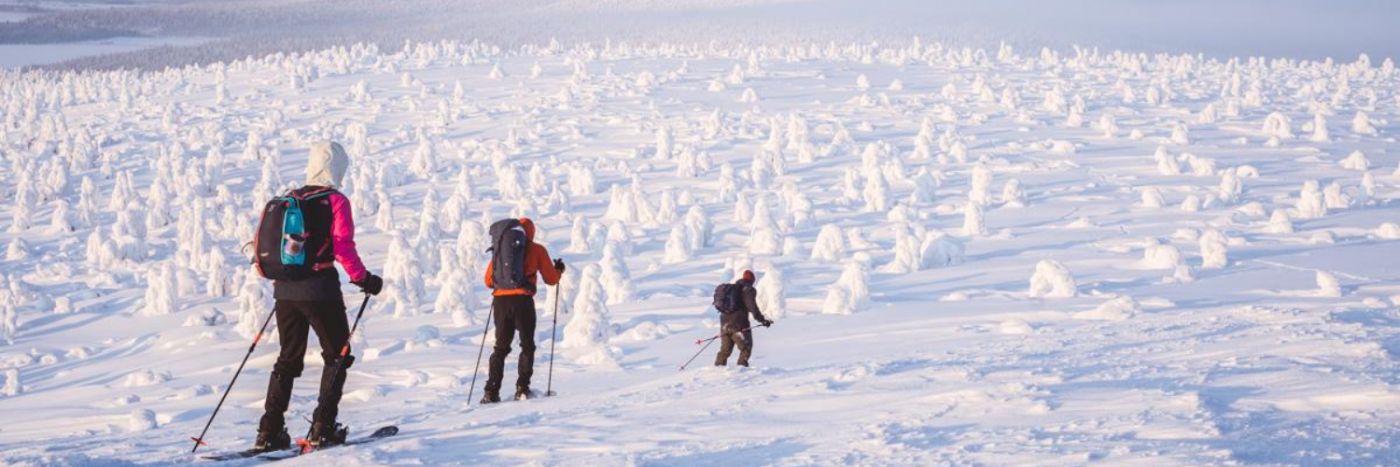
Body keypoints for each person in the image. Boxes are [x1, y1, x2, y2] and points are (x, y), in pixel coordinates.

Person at [255, 141, 383, 452]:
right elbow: (342, 246)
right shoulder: (335, 200)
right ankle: (323, 427)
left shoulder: (289, 198)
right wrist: (364, 279)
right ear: (337, 168)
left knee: (287, 359)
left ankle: (269, 431)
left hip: (285, 290)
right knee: (337, 355)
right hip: (320, 290)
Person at [482, 217, 563, 403]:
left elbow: (488, 281)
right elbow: (551, 279)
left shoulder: (500, 250)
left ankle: (491, 392)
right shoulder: (536, 249)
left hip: (501, 302)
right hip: (523, 301)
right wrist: (558, 270)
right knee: (527, 345)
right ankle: (522, 389)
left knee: (500, 348)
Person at [715, 270, 773, 367]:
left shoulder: (732, 289)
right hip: (739, 325)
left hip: (724, 324)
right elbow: (752, 307)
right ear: (752, 280)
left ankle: (718, 370)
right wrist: (763, 320)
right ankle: (742, 370)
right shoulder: (748, 289)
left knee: (725, 351)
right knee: (746, 347)